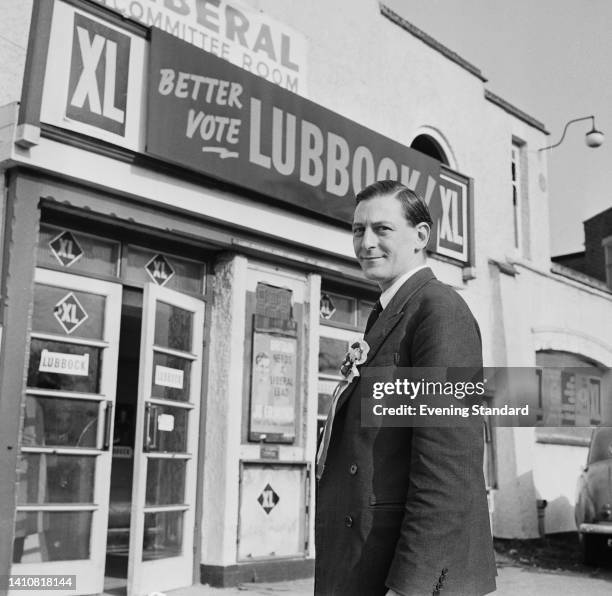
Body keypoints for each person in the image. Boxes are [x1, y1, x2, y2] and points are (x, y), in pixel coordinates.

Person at [315, 180, 496, 595]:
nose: (366, 242)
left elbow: (448, 466)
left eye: (382, 229)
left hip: (400, 571)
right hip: (365, 555)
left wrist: (413, 584)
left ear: (420, 236)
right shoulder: (388, 312)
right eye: (358, 230)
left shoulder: (438, 311)